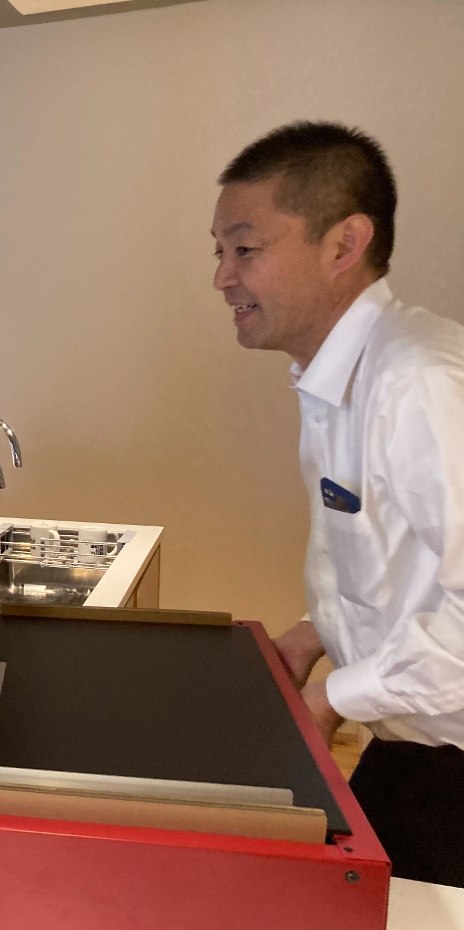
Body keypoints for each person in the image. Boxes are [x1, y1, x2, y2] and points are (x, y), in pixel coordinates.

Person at [211, 122, 464, 886]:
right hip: (408, 740)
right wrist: (313, 634)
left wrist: (333, 697)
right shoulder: (339, 377)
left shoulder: (419, 385)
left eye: (244, 249)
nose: (222, 278)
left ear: (344, 244)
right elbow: (399, 558)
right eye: (219, 251)